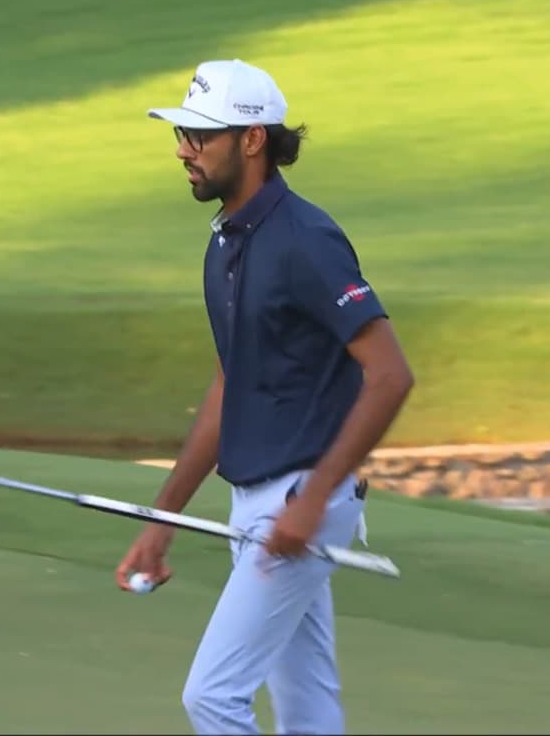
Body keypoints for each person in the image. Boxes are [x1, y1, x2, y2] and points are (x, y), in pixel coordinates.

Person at [117, 59, 416, 734]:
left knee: (213, 698)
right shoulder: (226, 239)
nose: (182, 150)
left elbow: (391, 373)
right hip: (256, 502)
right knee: (307, 707)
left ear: (252, 139)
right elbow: (231, 383)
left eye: (200, 135)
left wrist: (312, 502)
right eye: (182, 134)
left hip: (300, 500)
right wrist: (162, 520)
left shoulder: (305, 240)